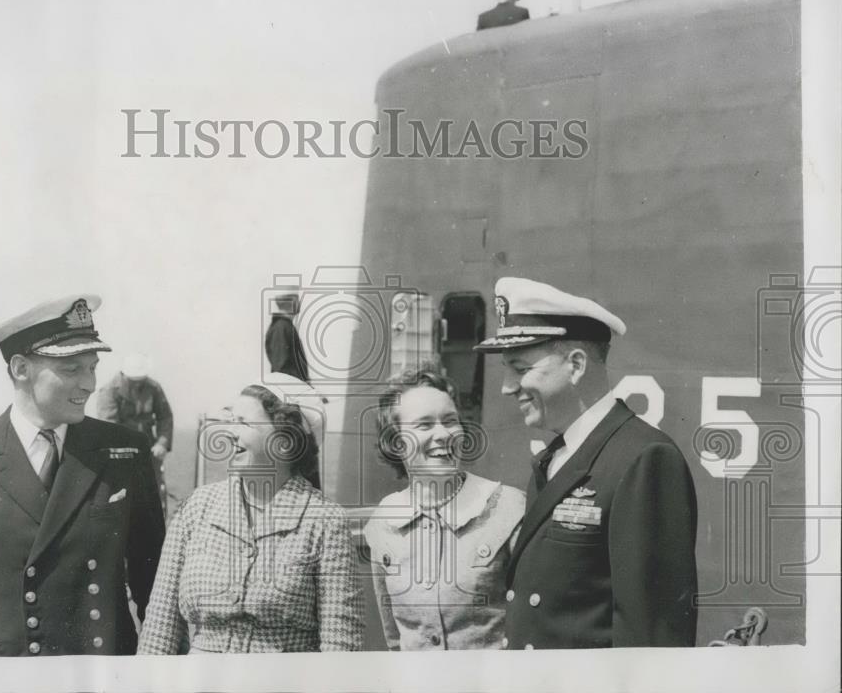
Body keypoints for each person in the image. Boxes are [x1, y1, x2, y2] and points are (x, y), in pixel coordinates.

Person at [0, 295, 165, 656]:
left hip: (98, 672)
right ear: (21, 369)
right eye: (71, 370)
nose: (89, 384)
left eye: (92, 367)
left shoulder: (126, 451)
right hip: (1, 675)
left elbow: (154, 581)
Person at [474, 277, 698, 649]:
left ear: (576, 365)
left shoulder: (643, 459)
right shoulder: (556, 459)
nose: (506, 387)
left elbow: (652, 636)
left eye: (520, 368)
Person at [138, 373, 363, 654]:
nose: (229, 432)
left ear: (285, 440)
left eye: (243, 423)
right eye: (231, 420)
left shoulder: (326, 522)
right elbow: (160, 628)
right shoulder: (197, 508)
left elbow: (340, 648)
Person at [363, 366, 525, 651]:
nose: (443, 434)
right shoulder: (384, 523)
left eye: (450, 421)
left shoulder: (508, 508)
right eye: (424, 425)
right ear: (396, 443)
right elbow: (395, 639)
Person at [97, 353, 174, 517]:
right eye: (134, 380)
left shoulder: (154, 387)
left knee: (154, 497)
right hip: (120, 453)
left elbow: (165, 416)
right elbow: (109, 426)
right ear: (124, 374)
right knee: (122, 497)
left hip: (149, 451)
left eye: (141, 379)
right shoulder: (109, 391)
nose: (138, 383)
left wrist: (162, 442)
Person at [264, 290, 310, 382]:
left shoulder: (285, 326)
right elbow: (281, 368)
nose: (299, 303)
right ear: (291, 303)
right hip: (290, 389)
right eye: (297, 299)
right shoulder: (281, 327)